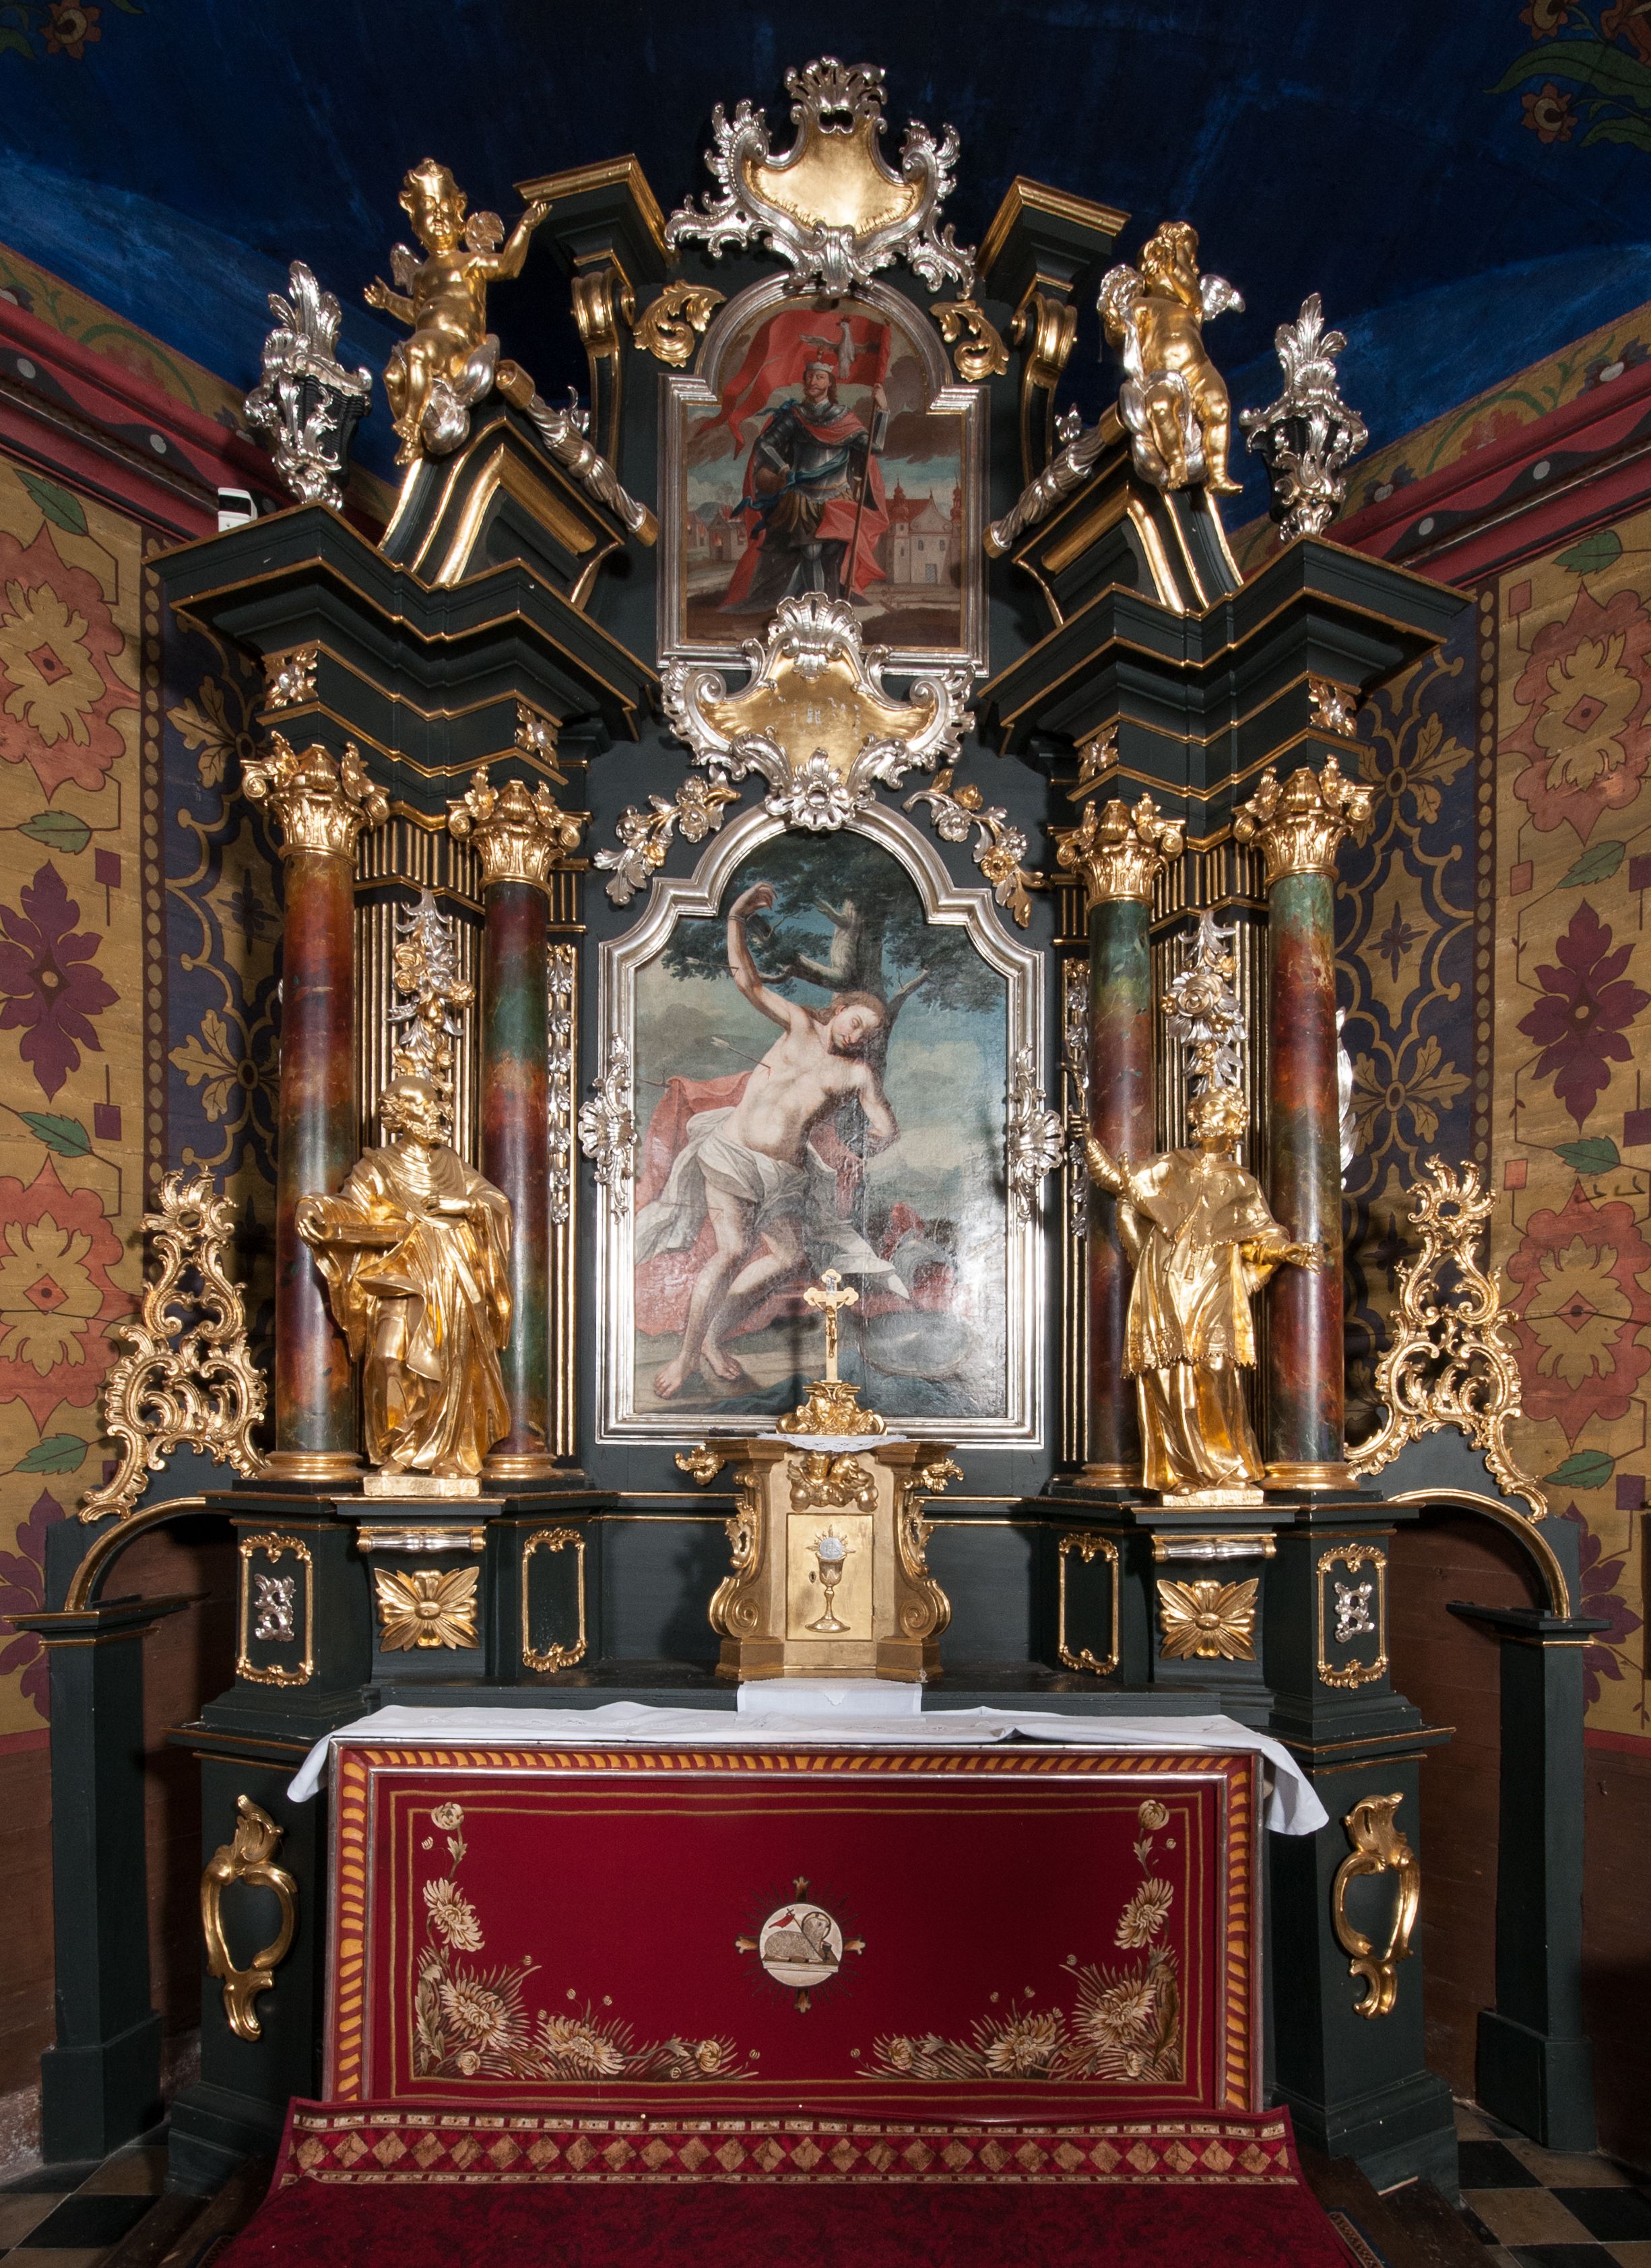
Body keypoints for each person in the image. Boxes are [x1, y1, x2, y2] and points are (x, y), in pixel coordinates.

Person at [637, 882, 901, 1400]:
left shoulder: (855, 1075)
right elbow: (747, 981)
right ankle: (686, 1357)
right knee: (732, 1250)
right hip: (733, 1154)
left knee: (785, 1256)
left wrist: (861, 1150)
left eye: (866, 1033)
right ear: (839, 1008)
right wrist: (736, 917)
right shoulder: (798, 1023)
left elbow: (886, 1128)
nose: (856, 1035)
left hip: (782, 1175)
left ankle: (713, 1336)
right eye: (855, 1022)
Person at [1085, 1083, 1322, 1495]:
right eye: (1202, 1110)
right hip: (1164, 1283)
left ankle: (1227, 1470)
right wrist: (1087, 1140)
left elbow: (1261, 1236)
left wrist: (1287, 1251)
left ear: (1235, 1124)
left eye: (1216, 1111)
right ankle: (1180, 1475)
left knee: (1216, 1369)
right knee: (1166, 1376)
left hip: (1214, 1284)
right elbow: (1117, 1181)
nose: (1203, 1117)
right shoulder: (1170, 1165)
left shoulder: (1241, 1183)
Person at [298, 1074, 513, 1479]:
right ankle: (400, 1445)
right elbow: (352, 1209)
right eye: (426, 1104)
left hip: (453, 1271)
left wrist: (464, 1205)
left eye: (437, 1104)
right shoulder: (377, 1167)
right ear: (400, 1115)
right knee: (389, 1356)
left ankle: (449, 1453)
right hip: (402, 1273)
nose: (437, 1112)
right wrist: (316, 1208)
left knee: (452, 1359)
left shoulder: (451, 1162)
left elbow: (495, 1201)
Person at [723, 356, 890, 612]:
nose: (813, 381)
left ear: (830, 383)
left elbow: (874, 447)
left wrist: (883, 410)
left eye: (820, 377)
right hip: (802, 499)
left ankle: (828, 605)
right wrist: (782, 468)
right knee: (811, 552)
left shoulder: (844, 418)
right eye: (810, 376)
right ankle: (817, 609)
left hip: (838, 501)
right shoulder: (795, 416)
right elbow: (765, 444)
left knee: (832, 557)